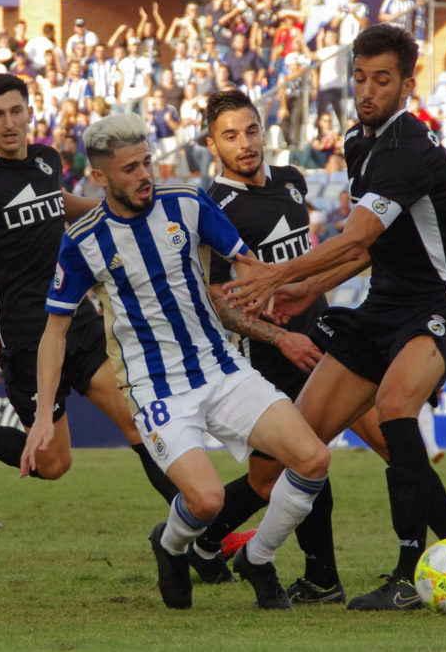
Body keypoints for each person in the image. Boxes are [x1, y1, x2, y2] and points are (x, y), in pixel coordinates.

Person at [222, 25, 446, 611]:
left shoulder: (410, 146)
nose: (366, 90)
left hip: (443, 300)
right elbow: (365, 250)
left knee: (396, 408)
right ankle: (244, 555)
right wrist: (308, 288)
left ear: (408, 84)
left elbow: (358, 233)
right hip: (384, 305)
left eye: (381, 80)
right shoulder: (361, 144)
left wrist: (278, 277)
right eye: (359, 77)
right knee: (297, 445)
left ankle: (408, 576)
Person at [33, 112, 329, 610]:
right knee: (207, 501)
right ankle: (169, 546)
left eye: (148, 161)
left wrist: (269, 294)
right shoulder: (83, 240)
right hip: (155, 389)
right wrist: (43, 413)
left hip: (221, 368)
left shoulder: (188, 203)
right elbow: (54, 332)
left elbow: (246, 263)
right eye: (130, 168)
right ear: (100, 177)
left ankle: (258, 557)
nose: (145, 174)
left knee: (313, 459)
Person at [0, 74, 180, 505]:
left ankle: (203, 538)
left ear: (30, 111)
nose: (9, 122)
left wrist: (116, 207)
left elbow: (58, 204)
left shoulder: (45, 159)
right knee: (54, 464)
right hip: (26, 338)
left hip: (76, 315)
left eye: (16, 111)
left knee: (139, 424)